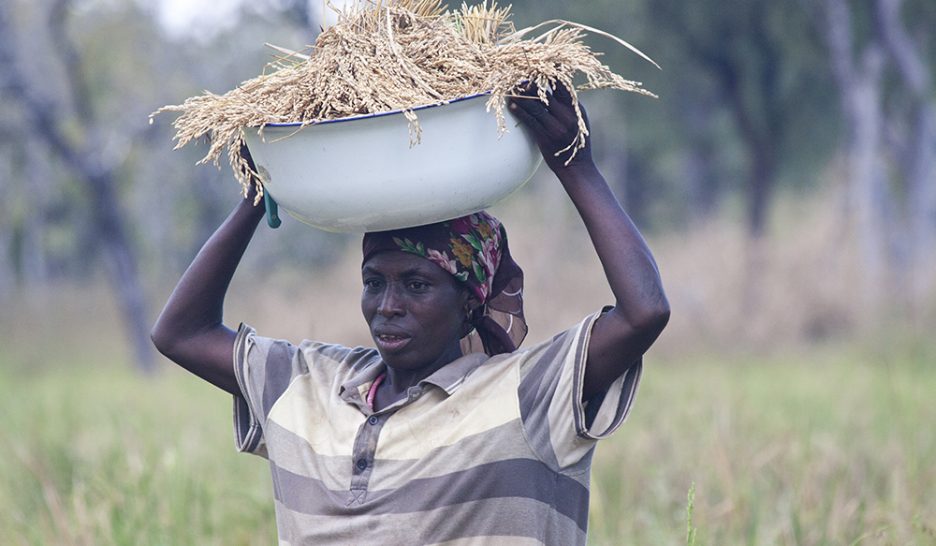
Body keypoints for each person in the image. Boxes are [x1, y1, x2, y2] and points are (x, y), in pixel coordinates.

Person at [151, 84, 670, 545]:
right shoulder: (309, 384)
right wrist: (257, 194)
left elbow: (644, 312)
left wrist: (576, 167)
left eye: (417, 285)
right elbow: (180, 333)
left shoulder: (525, 394)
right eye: (374, 282)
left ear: (469, 302)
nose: (387, 305)